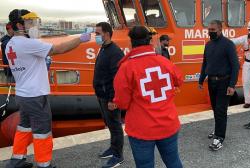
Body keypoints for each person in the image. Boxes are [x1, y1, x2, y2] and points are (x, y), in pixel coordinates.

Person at [5, 9, 91, 168]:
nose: (33, 26)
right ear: (19, 25)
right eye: (30, 23)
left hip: (22, 94)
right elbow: (59, 49)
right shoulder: (28, 43)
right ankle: (44, 164)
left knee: (24, 126)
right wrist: (80, 39)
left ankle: (17, 159)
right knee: (42, 129)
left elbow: (26, 63)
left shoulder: (10, 44)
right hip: (36, 95)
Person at [111, 26, 183, 168]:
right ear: (150, 41)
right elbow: (179, 80)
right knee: (173, 161)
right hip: (168, 123)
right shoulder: (164, 61)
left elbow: (122, 103)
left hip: (141, 129)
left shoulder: (126, 68)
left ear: (131, 43)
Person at [199, 20, 239, 151]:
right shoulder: (208, 45)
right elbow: (205, 63)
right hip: (211, 82)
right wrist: (201, 79)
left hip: (224, 82)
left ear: (220, 30)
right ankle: (217, 129)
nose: (210, 32)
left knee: (221, 110)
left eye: (213, 30)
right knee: (215, 108)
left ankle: (219, 138)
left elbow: (235, 66)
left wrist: (232, 85)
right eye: (209, 30)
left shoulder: (228, 44)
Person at [93, 22, 124, 168]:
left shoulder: (115, 52)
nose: (96, 36)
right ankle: (113, 148)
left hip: (109, 97)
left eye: (98, 33)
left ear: (106, 33)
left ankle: (118, 156)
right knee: (110, 124)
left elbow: (116, 78)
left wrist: (113, 99)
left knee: (115, 125)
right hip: (102, 95)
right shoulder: (104, 48)